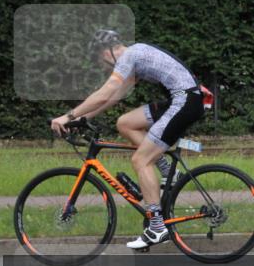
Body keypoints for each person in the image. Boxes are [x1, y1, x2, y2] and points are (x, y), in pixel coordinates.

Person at [50, 29, 206, 249]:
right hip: (183, 99)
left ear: (105, 53)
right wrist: (81, 118)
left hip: (185, 101)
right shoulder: (134, 57)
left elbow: (104, 93)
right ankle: (166, 172)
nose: (104, 68)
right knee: (125, 123)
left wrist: (68, 116)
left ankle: (157, 228)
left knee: (141, 161)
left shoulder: (129, 56)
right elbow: (113, 97)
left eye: (99, 62)